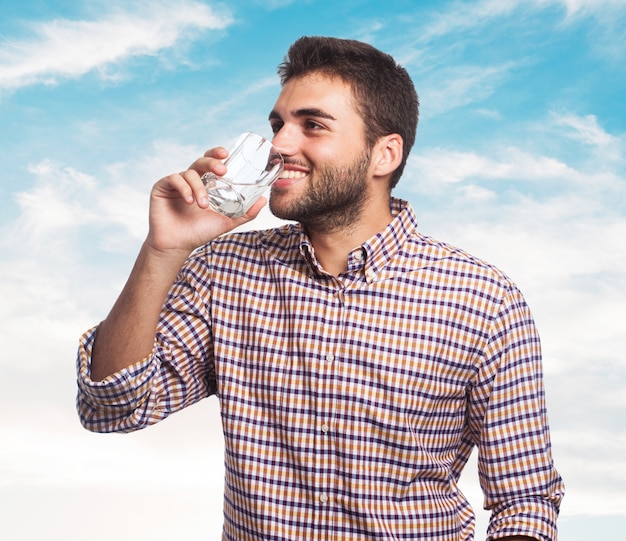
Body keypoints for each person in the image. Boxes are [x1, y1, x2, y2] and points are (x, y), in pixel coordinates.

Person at [76, 36, 565, 540]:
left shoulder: (484, 299)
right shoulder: (222, 271)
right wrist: (163, 251)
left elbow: (524, 499)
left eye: (312, 125)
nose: (280, 145)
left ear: (384, 155)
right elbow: (113, 406)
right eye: (277, 125)